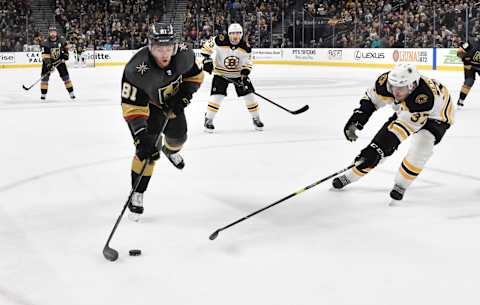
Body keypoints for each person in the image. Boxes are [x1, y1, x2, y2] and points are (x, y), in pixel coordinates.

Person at [332, 63, 454, 203]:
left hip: (438, 115)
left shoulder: (423, 99)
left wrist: (377, 149)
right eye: (393, 86)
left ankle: (401, 184)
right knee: (377, 148)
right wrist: (358, 118)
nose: (396, 92)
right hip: (409, 109)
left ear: (412, 85)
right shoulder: (385, 83)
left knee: (422, 145)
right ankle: (351, 175)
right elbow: (371, 99)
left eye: (401, 88)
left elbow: (401, 128)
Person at [121, 23, 204, 221]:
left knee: (179, 138)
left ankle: (171, 151)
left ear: (175, 46)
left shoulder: (184, 55)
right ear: (150, 47)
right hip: (147, 110)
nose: (165, 54)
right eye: (159, 48)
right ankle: (137, 192)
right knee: (147, 152)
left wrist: (184, 95)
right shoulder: (135, 70)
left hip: (171, 106)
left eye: (168, 48)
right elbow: (132, 108)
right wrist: (141, 136)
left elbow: (195, 77)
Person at [201, 23, 263, 132]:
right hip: (221, 73)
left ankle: (256, 118)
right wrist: (207, 60)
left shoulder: (245, 47)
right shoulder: (220, 40)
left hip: (238, 75)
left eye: (238, 33)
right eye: (233, 33)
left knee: (250, 95)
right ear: (229, 34)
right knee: (217, 97)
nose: (235, 36)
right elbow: (206, 48)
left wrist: (245, 72)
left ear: (241, 34)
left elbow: (248, 62)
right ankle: (208, 119)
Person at [40, 25, 75, 101]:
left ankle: (71, 94)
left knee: (66, 77)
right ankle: (43, 95)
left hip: (60, 60)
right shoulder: (45, 43)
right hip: (48, 61)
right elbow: (45, 55)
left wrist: (65, 55)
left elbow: (66, 49)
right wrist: (49, 65)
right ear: (49, 33)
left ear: (56, 32)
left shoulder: (62, 40)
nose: (53, 33)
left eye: (54, 32)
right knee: (44, 78)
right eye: (51, 32)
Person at [456, 39, 480, 107]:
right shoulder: (471, 42)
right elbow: (459, 52)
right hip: (469, 66)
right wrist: (464, 57)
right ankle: (461, 100)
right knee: (469, 81)